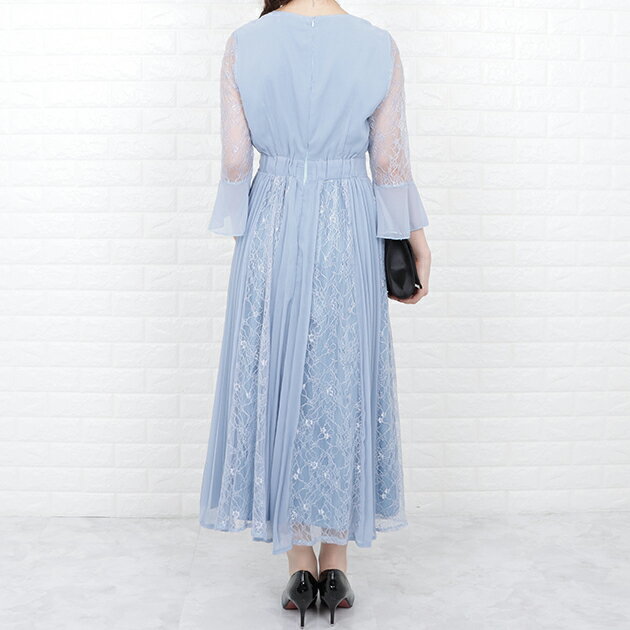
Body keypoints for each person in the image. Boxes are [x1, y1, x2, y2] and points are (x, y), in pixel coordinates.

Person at [199, 0, 432, 625]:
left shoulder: (244, 43)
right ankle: (337, 566)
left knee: (281, 379)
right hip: (348, 221)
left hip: (273, 224)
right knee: (340, 380)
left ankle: (299, 568)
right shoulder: (377, 45)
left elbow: (235, 162)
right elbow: (389, 162)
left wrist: (243, 214)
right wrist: (415, 238)